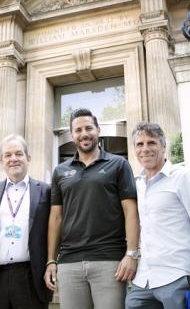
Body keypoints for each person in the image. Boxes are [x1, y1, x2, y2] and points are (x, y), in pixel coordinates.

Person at [44, 108, 139, 309]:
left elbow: (130, 211)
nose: (84, 133)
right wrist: (51, 260)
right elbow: (55, 218)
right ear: (72, 135)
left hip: (109, 260)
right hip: (69, 263)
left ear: (98, 130)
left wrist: (131, 254)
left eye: (88, 128)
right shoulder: (60, 171)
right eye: (78, 130)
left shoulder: (118, 164)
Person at [125, 122, 190, 309]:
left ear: (163, 146)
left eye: (151, 143)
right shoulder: (137, 184)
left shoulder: (182, 177)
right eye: (140, 144)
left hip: (177, 275)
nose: (145, 149)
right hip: (144, 278)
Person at [0, 134, 52, 308]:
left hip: (30, 278)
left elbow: (53, 230)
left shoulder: (46, 192)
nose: (13, 159)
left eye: (19, 154)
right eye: (8, 155)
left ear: (28, 158)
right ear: (1, 161)